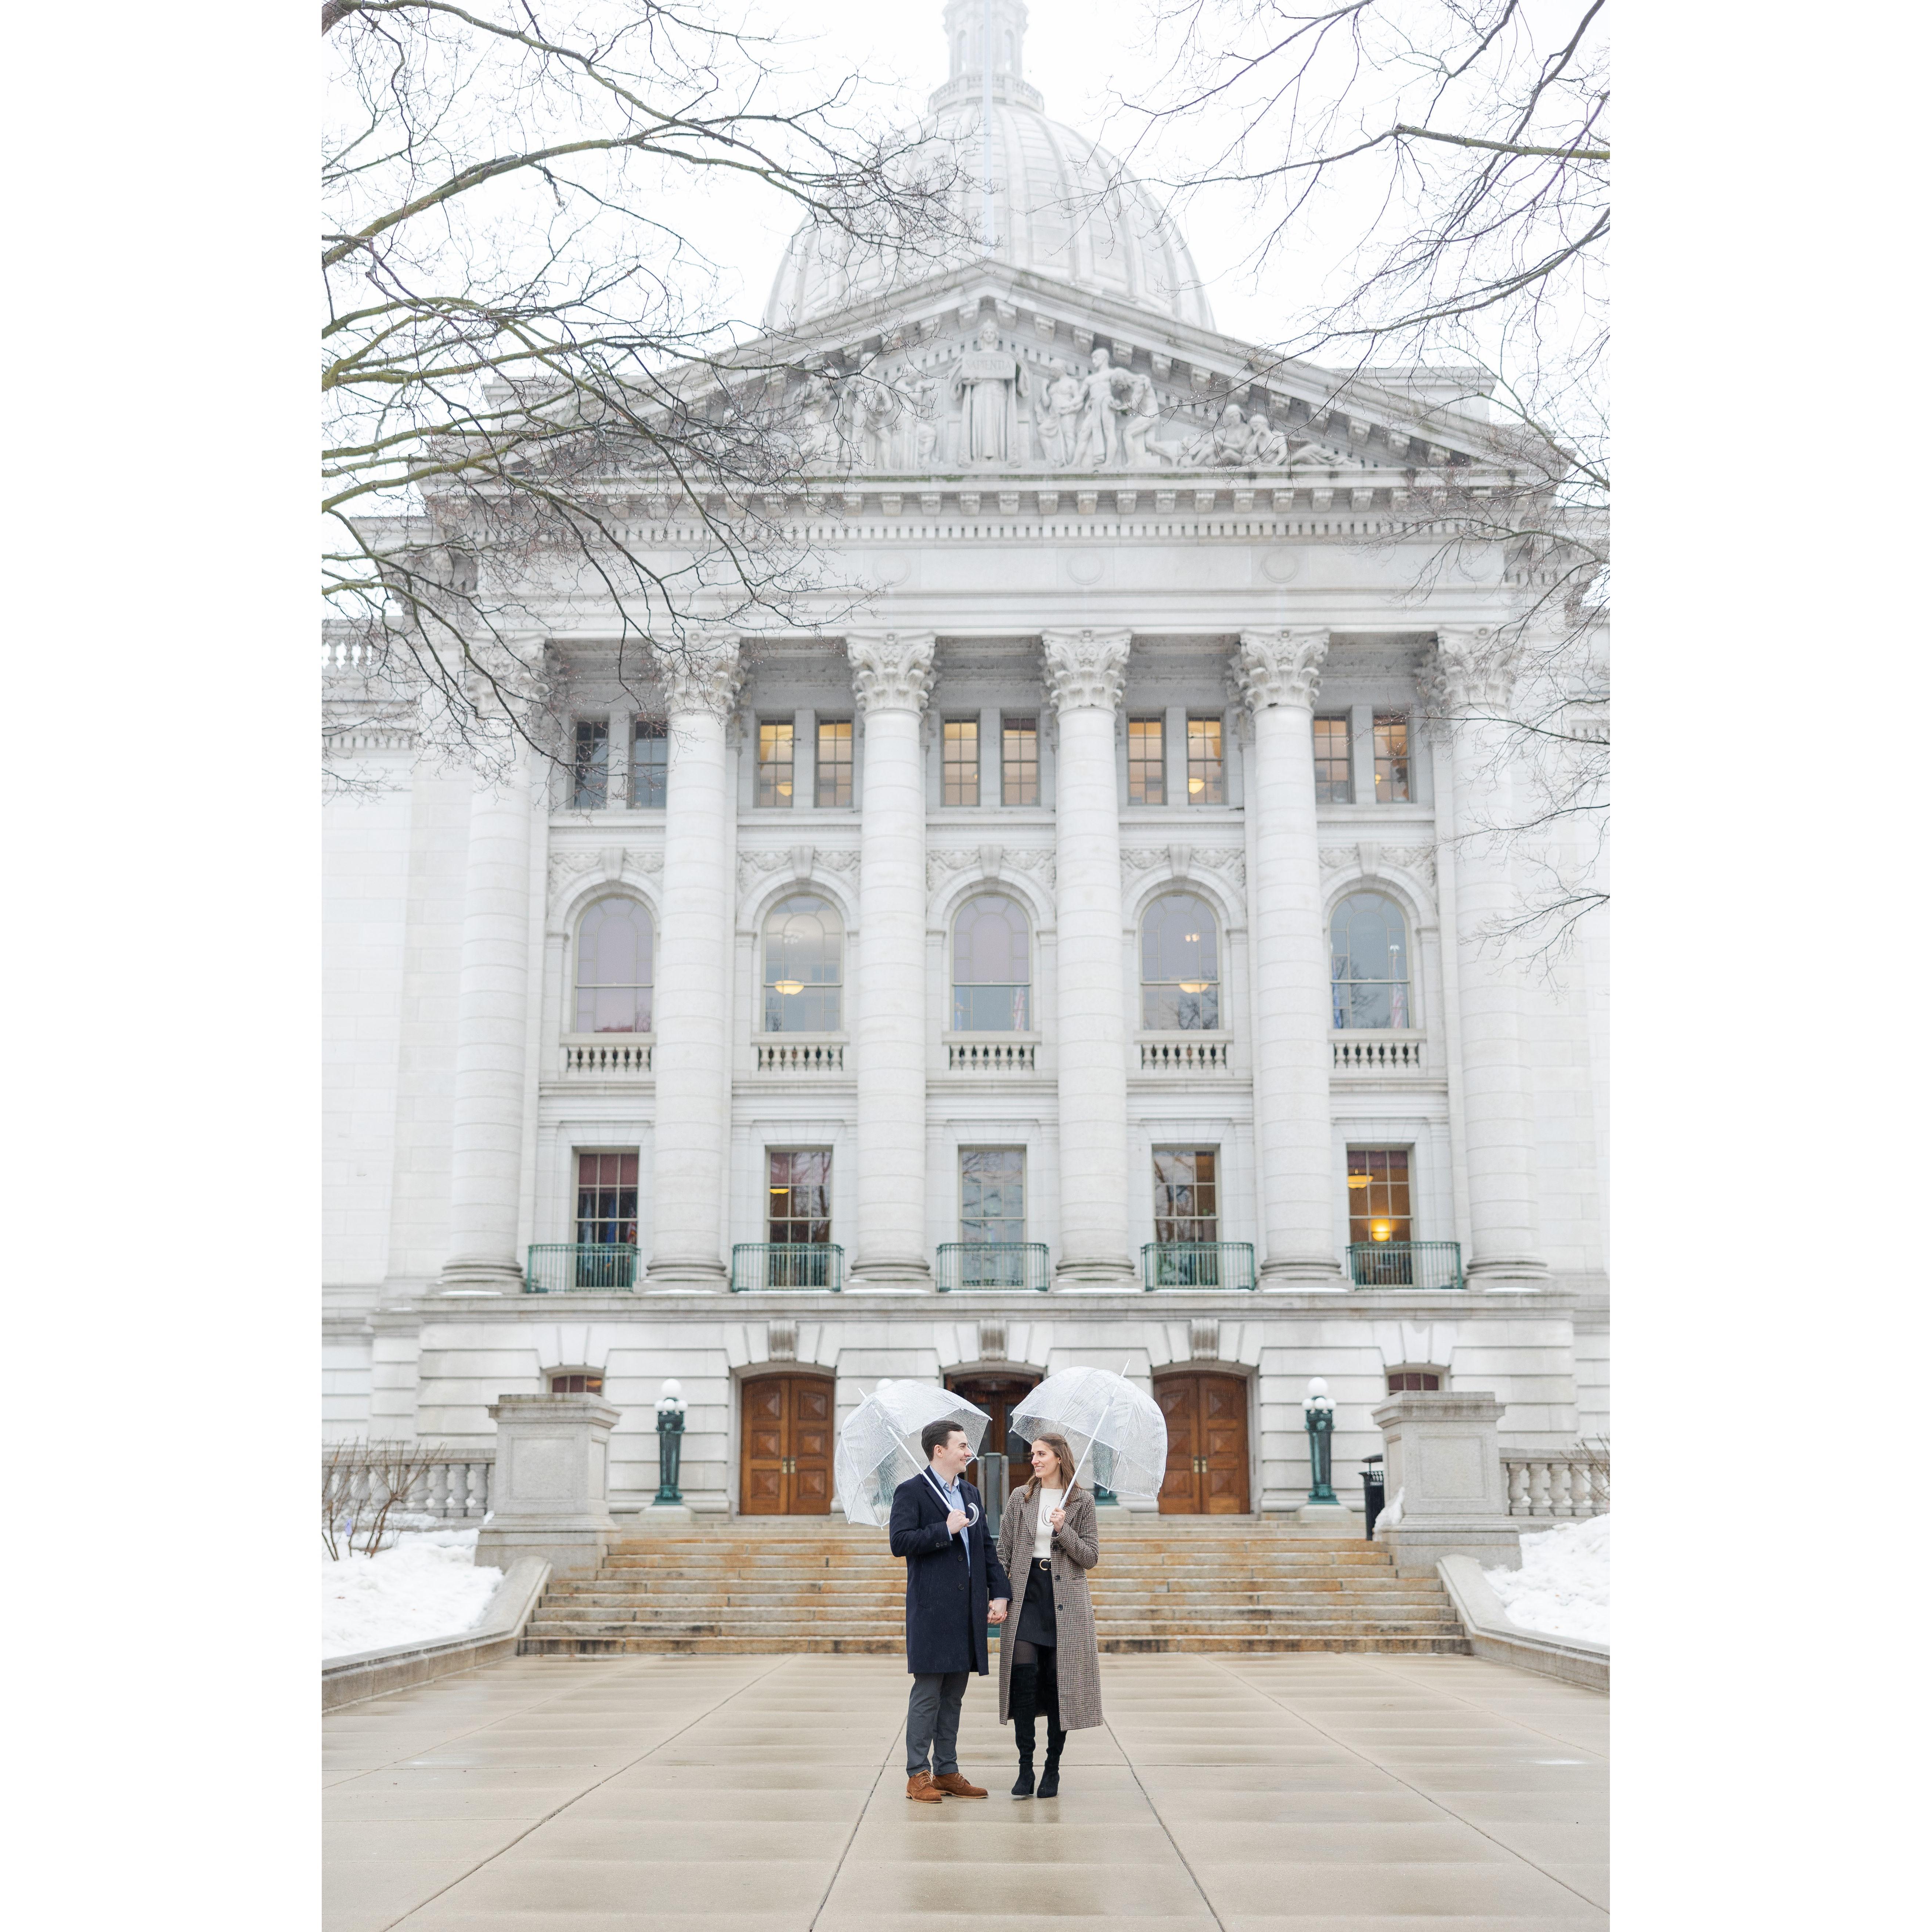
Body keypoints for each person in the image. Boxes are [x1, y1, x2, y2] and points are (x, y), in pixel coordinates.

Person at [888, 1420, 1012, 1803]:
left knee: (954, 1695)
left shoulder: (969, 1492)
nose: (968, 1452)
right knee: (928, 1694)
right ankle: (917, 1775)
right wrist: (944, 1530)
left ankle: (946, 1770)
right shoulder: (911, 1491)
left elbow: (985, 1548)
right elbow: (899, 1542)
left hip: (967, 1609)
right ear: (939, 1450)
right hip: (932, 1611)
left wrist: (1000, 1593)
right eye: (961, 1446)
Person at [995, 1433, 1102, 1799]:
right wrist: (1000, 1595)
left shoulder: (1082, 1501)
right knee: (1024, 1681)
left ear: (1059, 1457)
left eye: (1041, 1454)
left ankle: (1052, 1767)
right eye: (1033, 1455)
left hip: (1065, 1602)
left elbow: (1090, 1557)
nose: (1035, 1460)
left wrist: (1063, 1528)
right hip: (1026, 1596)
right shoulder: (1021, 1497)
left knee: (1061, 1684)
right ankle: (1025, 1767)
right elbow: (1004, 1551)